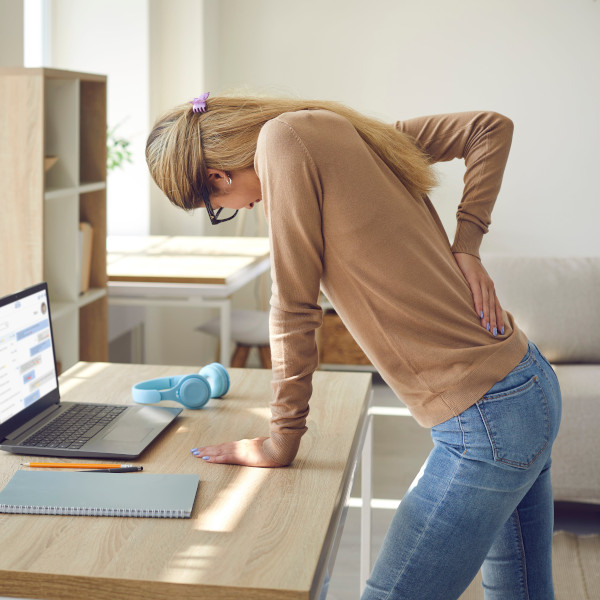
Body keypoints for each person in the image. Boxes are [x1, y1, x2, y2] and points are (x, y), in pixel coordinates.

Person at [146, 94, 562, 600]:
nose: (242, 209)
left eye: (215, 210)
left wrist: (281, 440)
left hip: (488, 421)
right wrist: (466, 244)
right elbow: (489, 127)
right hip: (525, 385)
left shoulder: (283, 144)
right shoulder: (332, 128)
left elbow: (293, 309)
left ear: (216, 177)